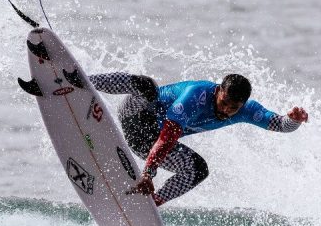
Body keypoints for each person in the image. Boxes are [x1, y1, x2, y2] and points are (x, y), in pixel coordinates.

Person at [88, 72, 309, 206]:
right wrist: (148, 173)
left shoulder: (245, 110)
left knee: (198, 170)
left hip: (146, 144)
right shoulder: (196, 95)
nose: (226, 111)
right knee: (147, 86)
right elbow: (167, 138)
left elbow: (279, 125)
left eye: (234, 108)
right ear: (218, 91)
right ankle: (82, 81)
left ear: (242, 105)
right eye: (224, 103)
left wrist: (294, 121)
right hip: (136, 116)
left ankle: (151, 204)